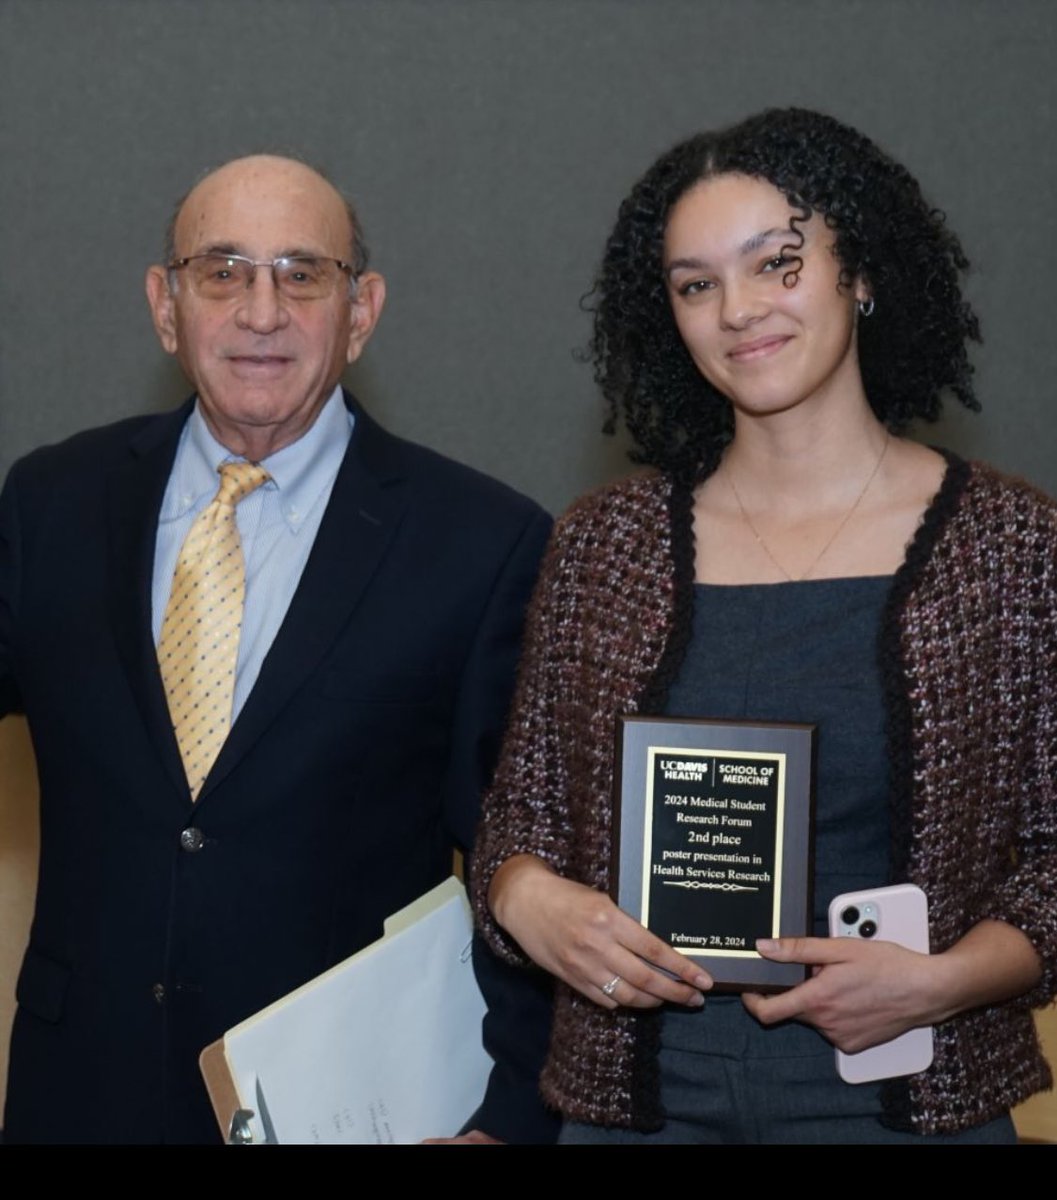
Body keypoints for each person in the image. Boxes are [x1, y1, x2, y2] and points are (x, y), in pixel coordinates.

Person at [473, 108, 1057, 1143]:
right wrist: (527, 903)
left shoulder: (1009, 549)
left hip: (905, 1110)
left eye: (776, 264)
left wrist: (942, 981)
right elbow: (517, 824)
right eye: (696, 285)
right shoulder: (604, 545)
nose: (737, 310)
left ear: (860, 273)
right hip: (633, 1116)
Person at [0, 154, 558, 1144]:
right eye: (222, 271)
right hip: (79, 1090)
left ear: (363, 309)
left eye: (303, 273)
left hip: (345, 1104)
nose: (263, 311)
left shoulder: (481, 541)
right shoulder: (51, 501)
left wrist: (508, 1116)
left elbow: (525, 858)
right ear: (165, 306)